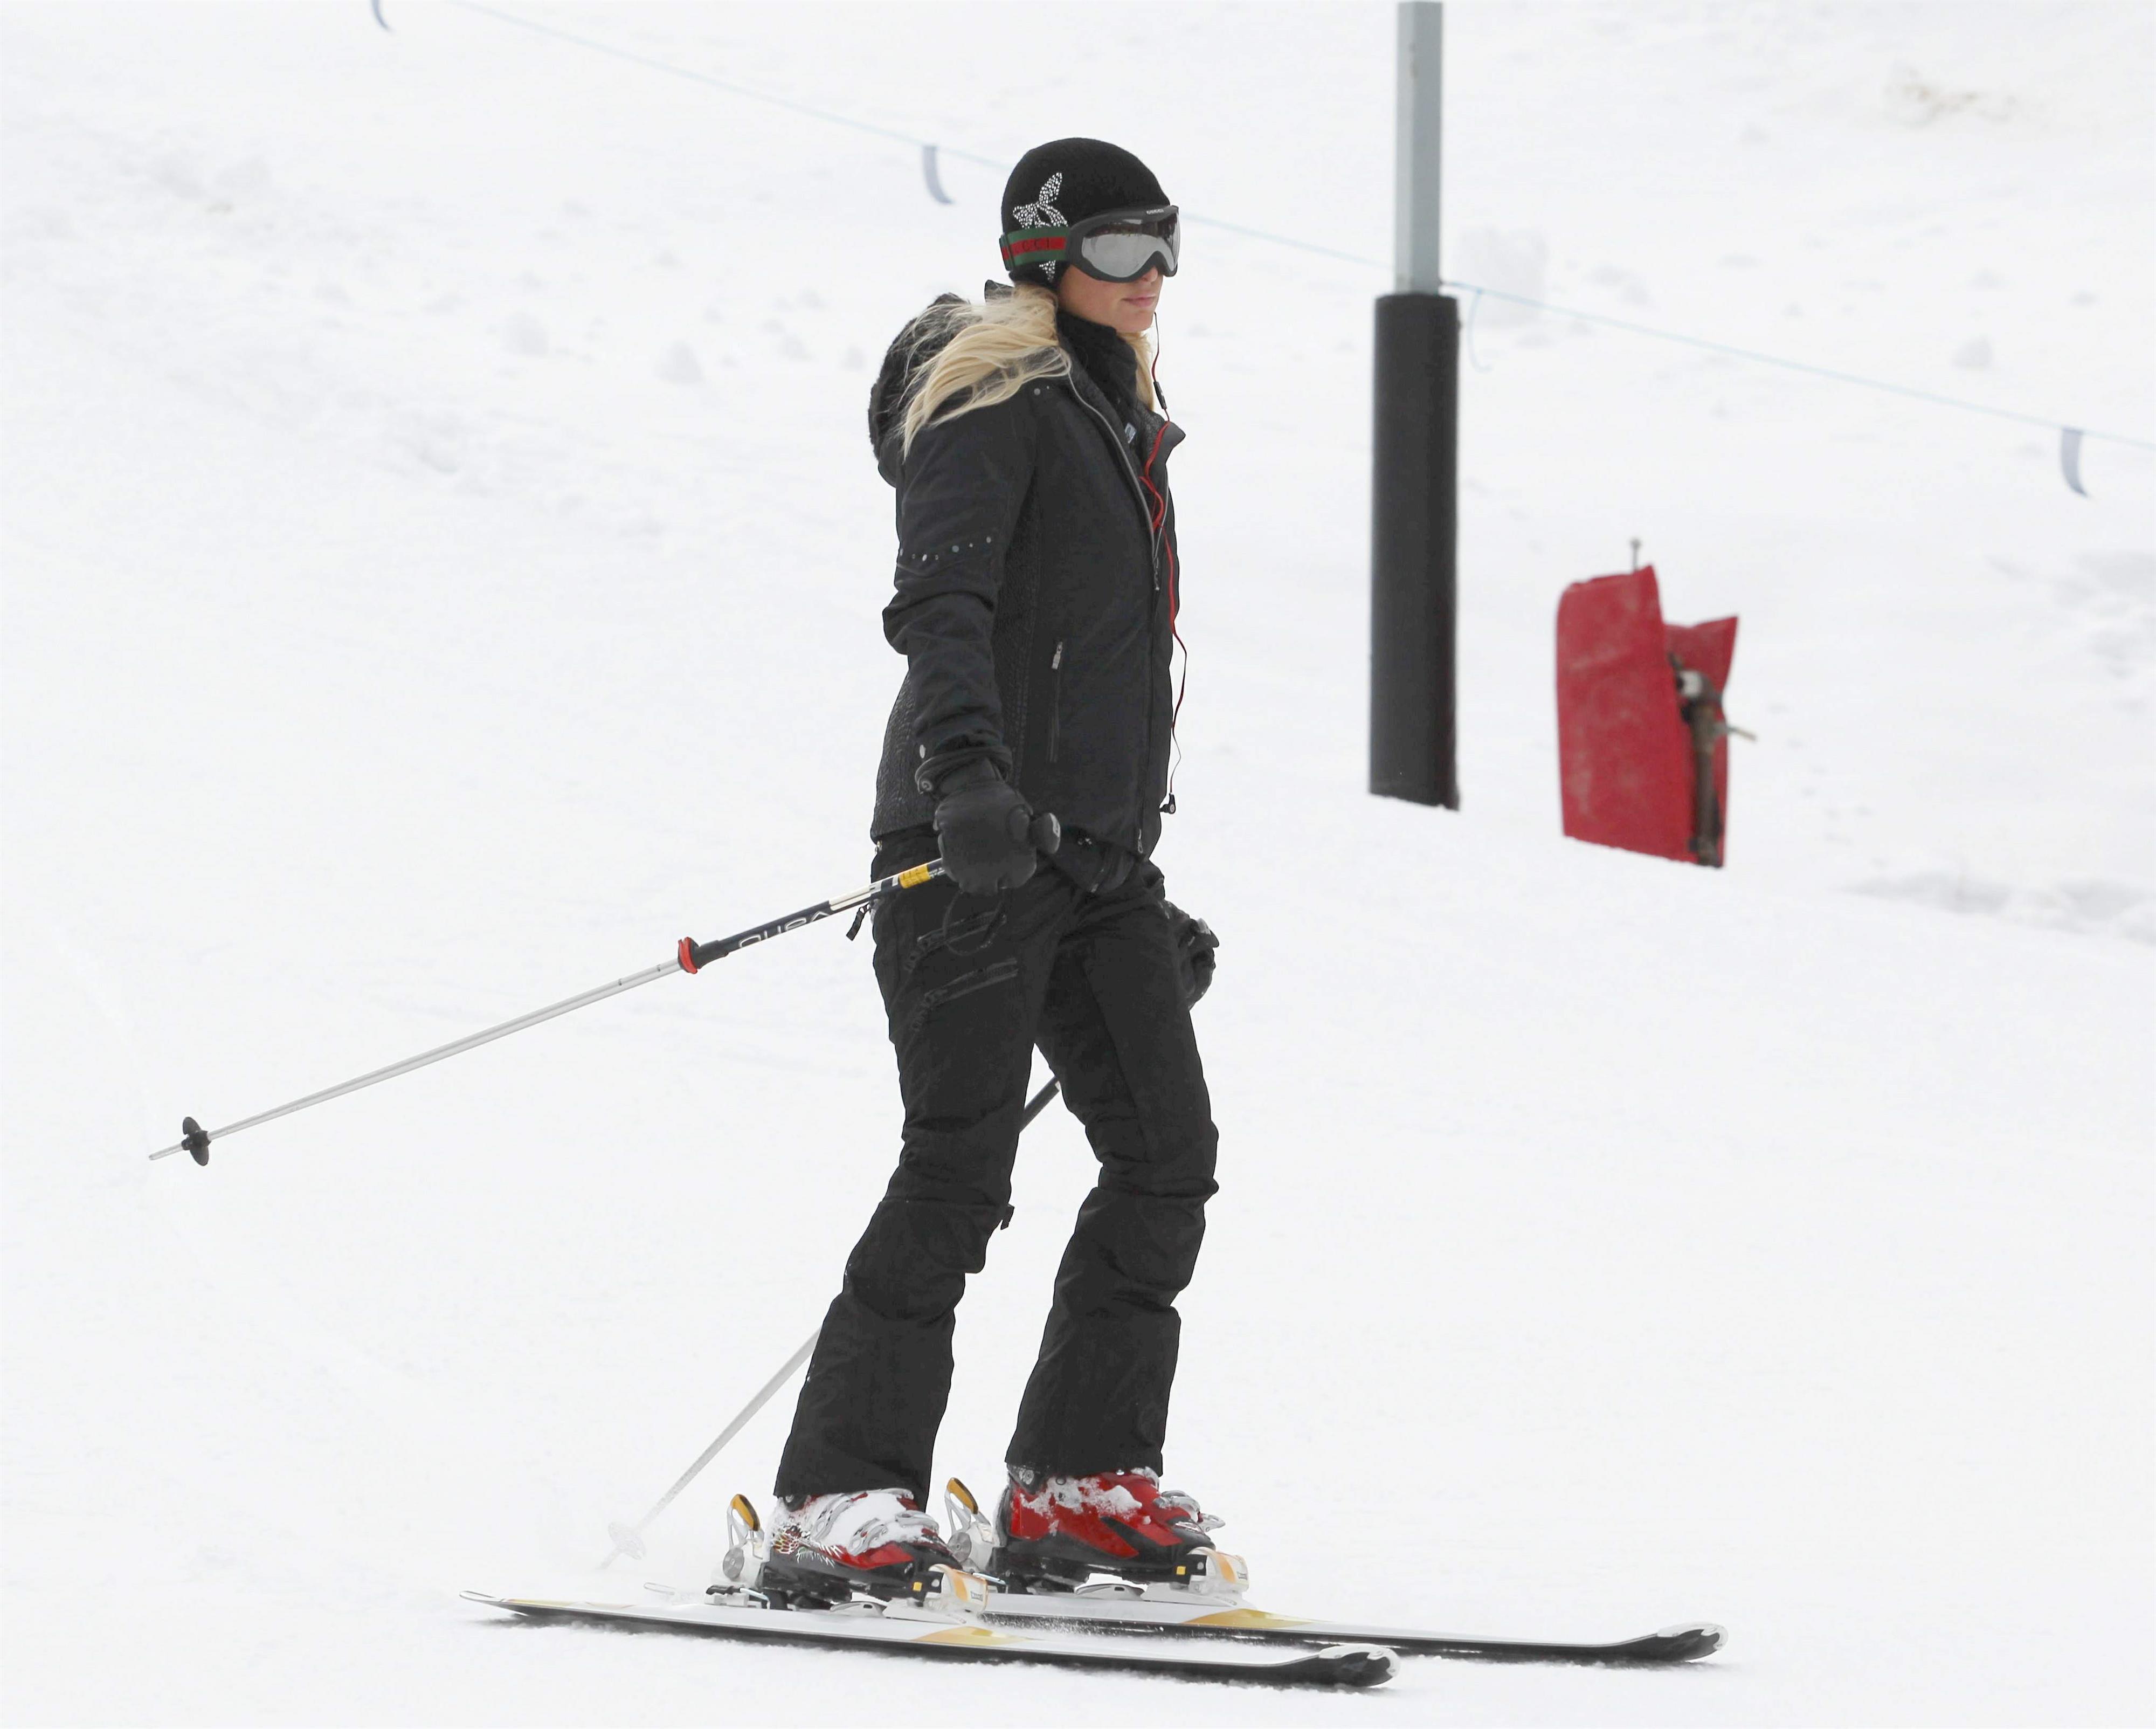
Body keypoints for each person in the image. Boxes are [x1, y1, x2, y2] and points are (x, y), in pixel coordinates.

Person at [758, 138, 1226, 1605]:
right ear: (1043, 258)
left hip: (1089, 866)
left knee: (1164, 1155)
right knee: (960, 1167)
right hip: (967, 852)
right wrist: (963, 782)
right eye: (1120, 251)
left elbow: (1097, 667)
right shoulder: (999, 405)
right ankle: (841, 1500)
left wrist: (1125, 866)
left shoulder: (1116, 420)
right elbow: (943, 604)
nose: (1152, 282)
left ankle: (1078, 1487)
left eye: (1164, 248)